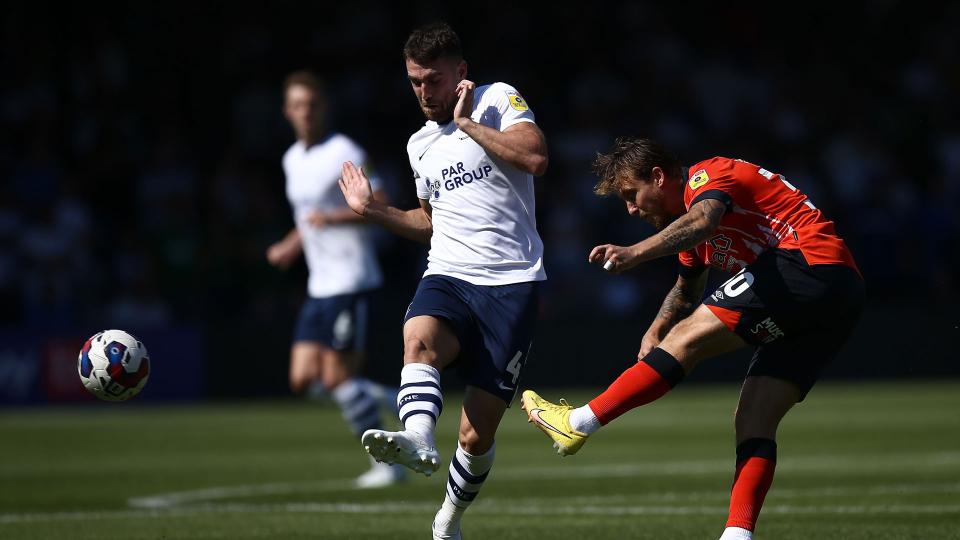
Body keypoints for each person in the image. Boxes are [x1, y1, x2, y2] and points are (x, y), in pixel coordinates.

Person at [521, 137, 864, 540]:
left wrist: (634, 253)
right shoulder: (688, 233)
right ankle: (738, 535)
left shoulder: (708, 176)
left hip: (806, 261)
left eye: (631, 194)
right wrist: (655, 332)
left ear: (658, 176)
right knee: (753, 418)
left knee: (689, 342)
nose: (630, 208)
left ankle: (578, 421)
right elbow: (687, 290)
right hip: (837, 297)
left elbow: (703, 222)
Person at [337, 22, 548, 540]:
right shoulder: (419, 145)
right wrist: (372, 210)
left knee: (476, 435)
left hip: (512, 282)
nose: (423, 92)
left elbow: (535, 158)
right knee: (418, 337)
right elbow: (431, 221)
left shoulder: (498, 100)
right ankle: (417, 438)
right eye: (414, 81)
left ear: (460, 74)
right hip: (450, 272)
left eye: (432, 80)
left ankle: (449, 518)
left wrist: (467, 124)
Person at [265, 70, 403, 489]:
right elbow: (308, 219)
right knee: (303, 379)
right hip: (318, 284)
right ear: (288, 111)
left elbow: (378, 202)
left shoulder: (344, 150)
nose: (305, 112)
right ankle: (394, 399)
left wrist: (333, 218)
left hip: (350, 277)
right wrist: (292, 243)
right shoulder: (292, 159)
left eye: (312, 104)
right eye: (297, 105)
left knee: (339, 379)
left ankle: (390, 466)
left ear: (323, 108)